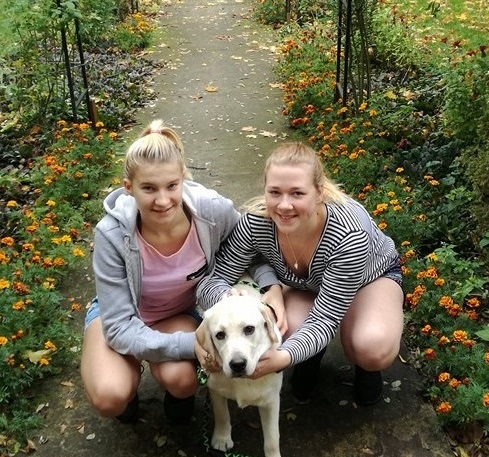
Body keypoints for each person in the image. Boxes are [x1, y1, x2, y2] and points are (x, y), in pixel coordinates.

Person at [80, 119, 278, 424]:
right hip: (122, 315)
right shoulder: (111, 234)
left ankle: (177, 396)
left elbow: (251, 246)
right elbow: (119, 327)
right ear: (128, 188)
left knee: (183, 380)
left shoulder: (212, 211)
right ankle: (128, 394)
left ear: (183, 178)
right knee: (110, 396)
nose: (162, 200)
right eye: (148, 188)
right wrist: (192, 345)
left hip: (175, 314)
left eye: (172, 186)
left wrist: (270, 286)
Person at [196, 141, 404, 406]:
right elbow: (213, 280)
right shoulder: (256, 223)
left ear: (319, 193)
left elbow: (326, 318)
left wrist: (284, 357)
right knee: (283, 326)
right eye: (275, 192)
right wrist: (230, 300)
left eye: (297, 193)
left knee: (370, 346)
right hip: (307, 286)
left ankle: (366, 370)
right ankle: (311, 355)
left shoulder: (349, 235)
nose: (284, 205)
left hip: (370, 279)